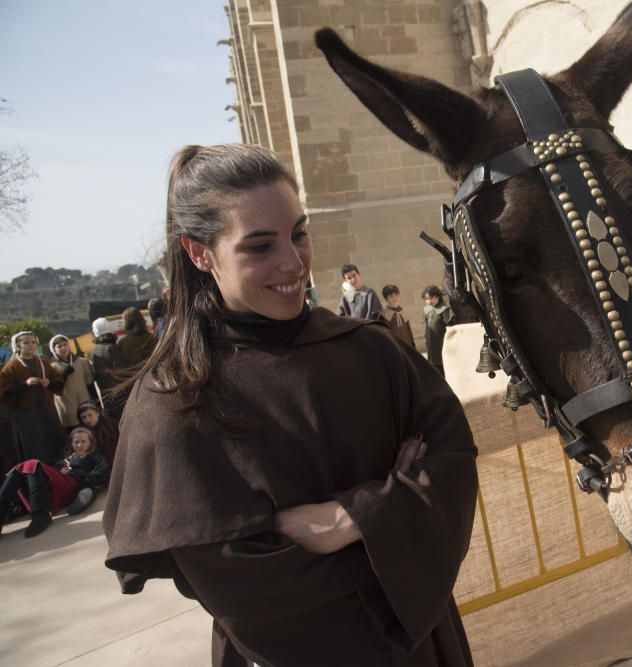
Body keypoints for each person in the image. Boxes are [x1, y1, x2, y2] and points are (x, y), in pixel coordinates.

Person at [102, 143, 478, 666]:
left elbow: (453, 463)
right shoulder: (176, 400)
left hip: (423, 645)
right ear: (199, 252)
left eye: (298, 233)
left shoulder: (372, 349)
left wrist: (352, 518)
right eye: (259, 246)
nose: (292, 261)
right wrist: (396, 521)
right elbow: (239, 585)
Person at [0, 426, 111, 537]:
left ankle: (41, 514)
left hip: (72, 484)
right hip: (54, 487)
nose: (80, 445)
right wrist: (60, 470)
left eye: (83, 441)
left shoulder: (95, 457)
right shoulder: (65, 458)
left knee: (32, 464)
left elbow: (102, 473)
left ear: (90, 443)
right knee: (18, 472)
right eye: (76, 442)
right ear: (71, 443)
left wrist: (81, 476)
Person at [0, 331, 66, 465]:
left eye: (33, 342)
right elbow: (5, 392)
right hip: (25, 414)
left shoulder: (43, 361)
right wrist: (25, 384)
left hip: (47, 410)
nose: (31, 345)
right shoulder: (11, 367)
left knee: (54, 442)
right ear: (18, 346)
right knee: (33, 446)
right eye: (26, 343)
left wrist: (49, 383)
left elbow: (58, 379)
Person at [49, 334, 95, 429]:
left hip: (84, 403)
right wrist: (65, 373)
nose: (63, 348)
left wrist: (95, 402)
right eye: (59, 346)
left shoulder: (81, 362)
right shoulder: (52, 367)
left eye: (65, 344)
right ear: (54, 349)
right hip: (67, 406)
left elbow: (90, 384)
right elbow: (55, 388)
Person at [89, 318, 127, 424]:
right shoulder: (111, 348)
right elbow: (122, 371)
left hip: (106, 395)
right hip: (120, 394)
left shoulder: (94, 350)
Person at [422, 285, 454, 378]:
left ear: (438, 296)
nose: (429, 301)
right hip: (431, 346)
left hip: (441, 345)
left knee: (443, 368)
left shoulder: (444, 309)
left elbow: (449, 328)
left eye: (431, 298)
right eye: (426, 299)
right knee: (434, 368)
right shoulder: (427, 309)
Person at [77, 400, 119, 466]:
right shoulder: (84, 434)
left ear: (97, 413)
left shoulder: (110, 426)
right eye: (84, 417)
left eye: (90, 415)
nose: (87, 420)